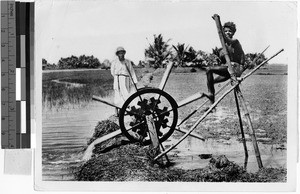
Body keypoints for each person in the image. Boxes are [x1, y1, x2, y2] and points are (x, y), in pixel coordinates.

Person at [204, 21, 245, 107]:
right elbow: (224, 60)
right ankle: (212, 104)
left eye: (229, 31)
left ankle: (211, 95)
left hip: (235, 68)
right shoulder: (224, 47)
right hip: (228, 68)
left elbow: (227, 39)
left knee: (208, 69)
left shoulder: (235, 41)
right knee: (211, 82)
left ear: (233, 32)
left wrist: (219, 27)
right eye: (225, 31)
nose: (227, 33)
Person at [110, 46, 138, 116]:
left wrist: (134, 81)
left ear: (124, 54)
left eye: (122, 53)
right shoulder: (114, 62)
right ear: (117, 54)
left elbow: (132, 71)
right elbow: (112, 72)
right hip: (117, 79)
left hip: (126, 79)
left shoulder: (127, 62)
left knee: (126, 94)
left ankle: (126, 110)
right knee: (117, 95)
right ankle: (117, 112)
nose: (121, 55)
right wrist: (117, 77)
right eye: (119, 53)